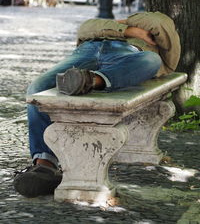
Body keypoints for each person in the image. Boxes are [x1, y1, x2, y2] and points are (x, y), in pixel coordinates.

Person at [13, 11, 181, 198]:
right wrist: (130, 29)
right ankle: (45, 165)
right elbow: (85, 28)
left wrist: (116, 28)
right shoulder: (121, 27)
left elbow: (160, 24)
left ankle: (91, 80)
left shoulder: (156, 32)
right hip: (88, 51)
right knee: (36, 88)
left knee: (152, 60)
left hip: (128, 54)